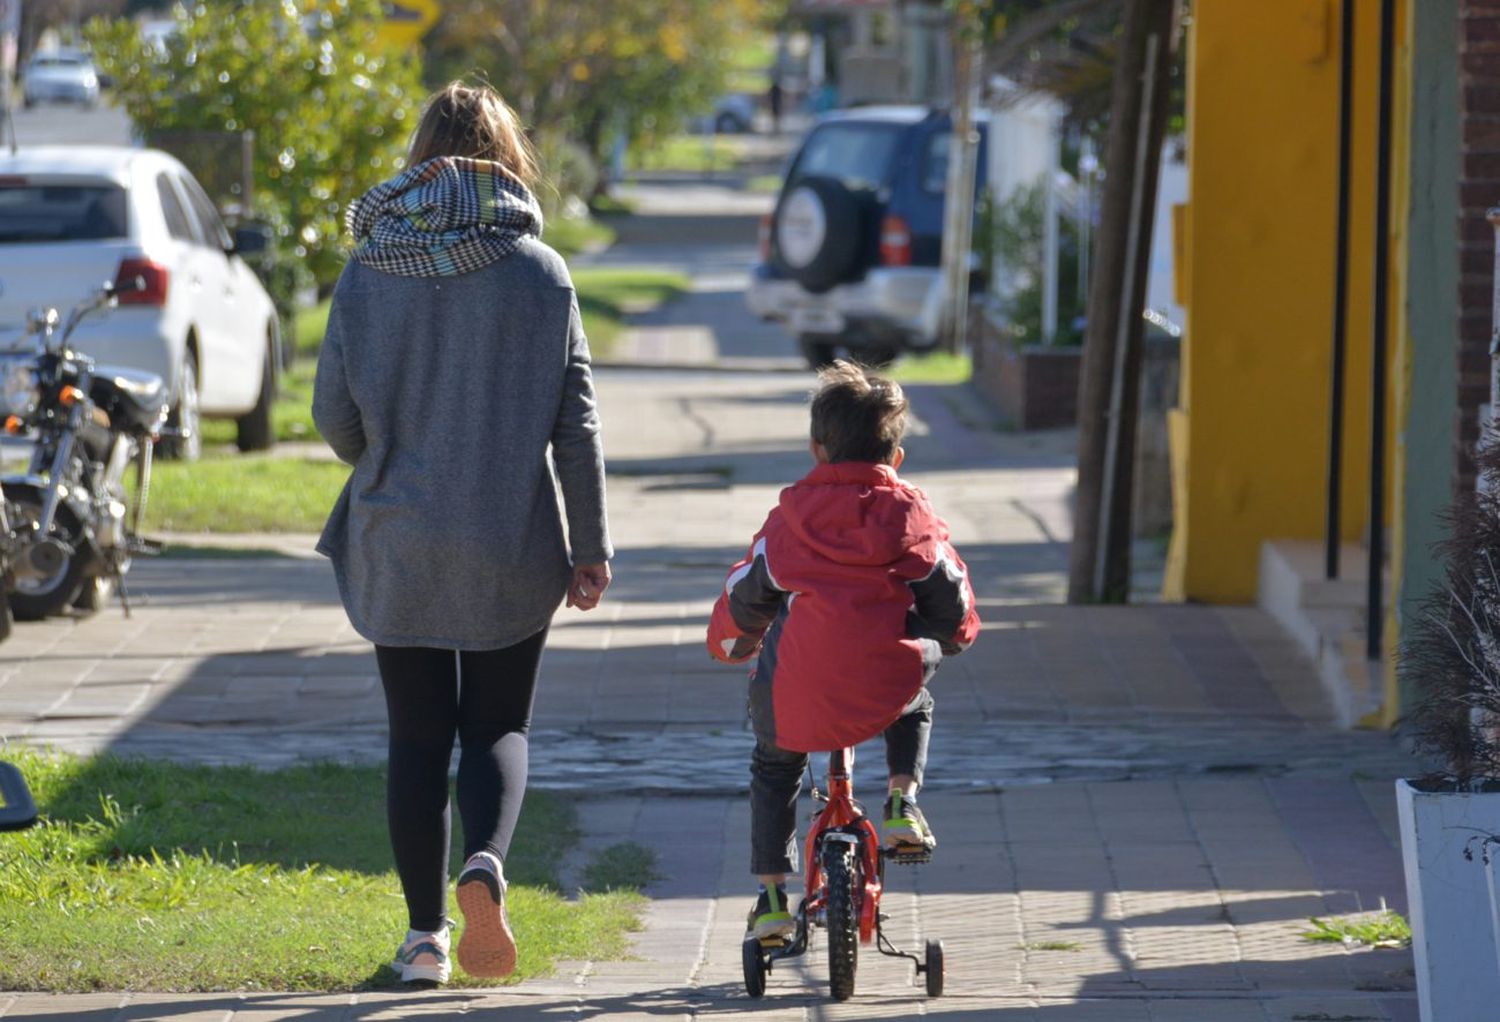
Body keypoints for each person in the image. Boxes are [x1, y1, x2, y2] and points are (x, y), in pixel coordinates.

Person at [313, 81, 613, 986]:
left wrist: (388, 454)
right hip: (508, 541)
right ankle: (484, 860)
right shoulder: (541, 272)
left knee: (415, 738)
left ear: (421, 156)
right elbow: (577, 424)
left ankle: (422, 940)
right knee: (496, 727)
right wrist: (590, 544)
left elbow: (334, 417)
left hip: (397, 536)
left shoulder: (367, 270)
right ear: (508, 160)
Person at [706, 362, 980, 941]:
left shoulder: (789, 523)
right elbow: (951, 596)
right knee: (917, 698)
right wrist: (950, 638)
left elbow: (745, 594)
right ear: (896, 457)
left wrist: (733, 645)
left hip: (795, 690)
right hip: (885, 682)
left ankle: (774, 897)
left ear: (815, 449)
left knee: (774, 767)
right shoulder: (913, 517)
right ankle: (902, 802)